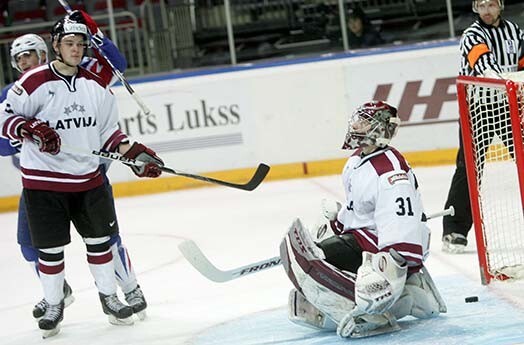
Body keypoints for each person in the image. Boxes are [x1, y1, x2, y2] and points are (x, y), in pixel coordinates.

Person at [0, 12, 164, 338]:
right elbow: (4, 128)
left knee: (102, 241)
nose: (75, 49)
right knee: (43, 248)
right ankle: (54, 301)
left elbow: (109, 132)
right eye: (69, 43)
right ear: (57, 45)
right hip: (43, 184)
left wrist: (134, 153)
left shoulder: (95, 84)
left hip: (88, 179)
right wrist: (28, 128)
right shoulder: (26, 86)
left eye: (80, 44)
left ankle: (117, 293)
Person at [279, 101, 446, 338]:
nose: (356, 125)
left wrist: (393, 267)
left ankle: (386, 308)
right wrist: (336, 224)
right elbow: (357, 209)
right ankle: (409, 293)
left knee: (318, 261)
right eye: (357, 119)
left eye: (364, 121)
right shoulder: (356, 161)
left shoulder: (390, 172)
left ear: (379, 130)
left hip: (380, 246)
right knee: (317, 256)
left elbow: (400, 224)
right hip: (363, 236)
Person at [442, 0, 524, 254]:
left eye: (490, 5)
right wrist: (511, 84)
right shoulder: (472, 35)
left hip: (510, 107)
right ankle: (454, 230)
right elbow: (484, 67)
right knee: (468, 167)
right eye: (480, 6)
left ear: (500, 5)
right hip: (478, 109)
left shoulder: (516, 32)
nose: (486, 11)